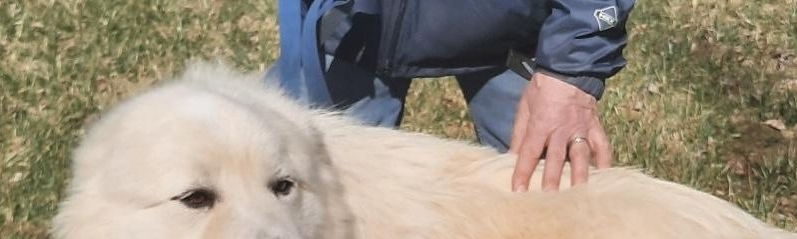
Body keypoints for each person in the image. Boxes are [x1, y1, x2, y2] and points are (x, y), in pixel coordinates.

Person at [272, 0, 636, 192]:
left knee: (557, 214)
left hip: (514, 32)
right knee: (297, 202)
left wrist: (571, 70)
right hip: (349, 26)